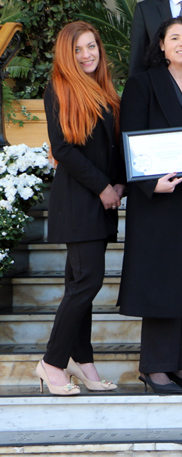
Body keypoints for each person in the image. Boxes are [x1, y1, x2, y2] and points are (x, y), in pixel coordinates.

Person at [118, 17, 182, 394]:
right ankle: (154, 367)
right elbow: (128, 139)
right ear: (160, 45)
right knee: (161, 281)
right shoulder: (143, 83)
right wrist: (149, 183)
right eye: (174, 37)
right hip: (160, 199)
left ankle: (175, 364)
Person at [37, 21, 125, 395]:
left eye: (92, 47)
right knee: (86, 283)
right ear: (66, 54)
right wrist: (104, 186)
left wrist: (120, 181)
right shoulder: (58, 88)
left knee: (80, 286)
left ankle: (82, 359)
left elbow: (113, 146)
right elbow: (64, 149)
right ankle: (52, 363)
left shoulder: (103, 89)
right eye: (79, 49)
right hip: (78, 202)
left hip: (101, 202)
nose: (88, 55)